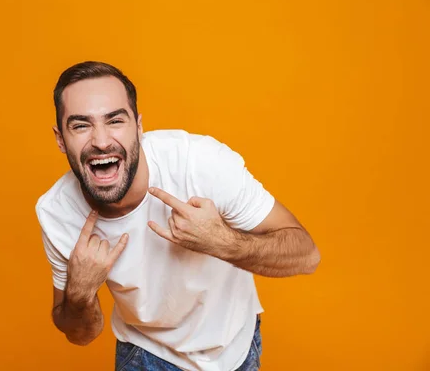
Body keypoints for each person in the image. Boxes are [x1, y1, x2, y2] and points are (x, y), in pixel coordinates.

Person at [35, 61, 320, 371]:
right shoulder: (58, 212)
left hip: (234, 349)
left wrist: (222, 243)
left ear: (139, 127)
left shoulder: (200, 163)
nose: (101, 141)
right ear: (60, 138)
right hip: (144, 355)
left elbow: (306, 254)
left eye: (115, 120)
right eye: (80, 125)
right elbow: (81, 334)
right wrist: (80, 291)